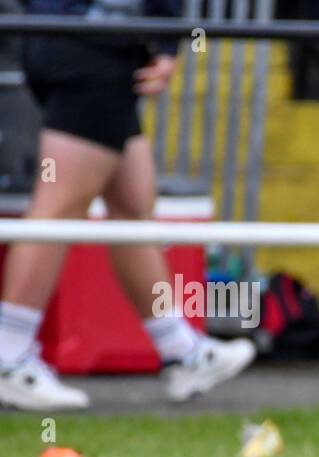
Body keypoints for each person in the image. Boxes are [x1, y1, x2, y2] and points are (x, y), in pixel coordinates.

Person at [0, 0, 255, 411]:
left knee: (132, 206)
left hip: (74, 41)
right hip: (93, 49)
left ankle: (182, 352)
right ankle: (8, 357)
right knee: (56, 210)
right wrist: (168, 42)